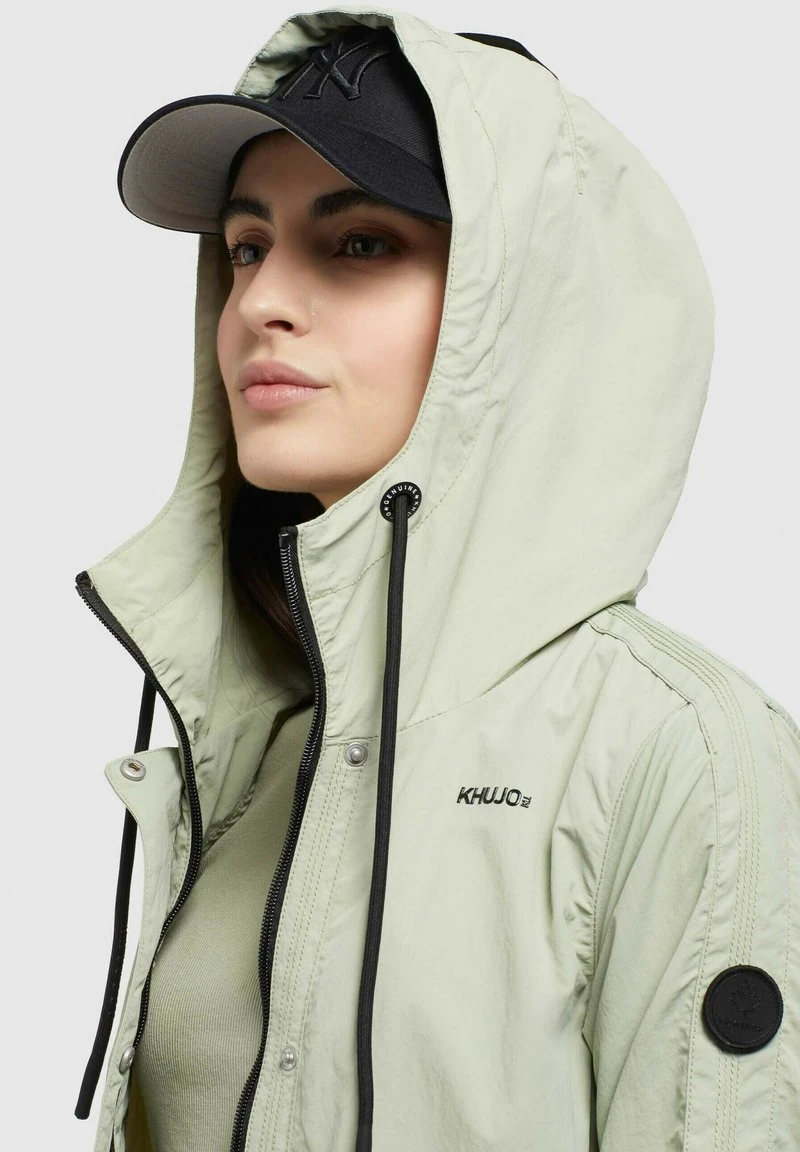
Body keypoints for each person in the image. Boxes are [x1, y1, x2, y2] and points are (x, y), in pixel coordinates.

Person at [72, 6, 799, 1152]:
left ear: (516, 311)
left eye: (359, 244)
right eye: (247, 246)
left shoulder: (681, 753)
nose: (258, 302)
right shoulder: (257, 749)